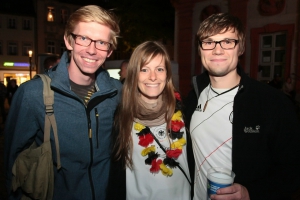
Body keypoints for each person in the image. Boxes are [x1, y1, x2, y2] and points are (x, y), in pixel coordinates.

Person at [5, 5, 121, 199]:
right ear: (69, 41)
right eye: (83, 38)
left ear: (109, 51)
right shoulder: (33, 94)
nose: (92, 50)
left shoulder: (117, 92)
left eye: (101, 42)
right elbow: (13, 162)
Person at [184, 13, 300, 200]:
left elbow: (293, 170)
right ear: (200, 50)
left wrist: (251, 193)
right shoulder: (193, 98)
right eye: (209, 42)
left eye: (228, 42)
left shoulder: (272, 103)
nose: (217, 50)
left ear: (241, 48)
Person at [107, 41, 194, 199]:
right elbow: (114, 176)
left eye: (159, 69)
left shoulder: (184, 111)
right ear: (134, 74)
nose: (153, 77)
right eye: (144, 69)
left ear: (167, 74)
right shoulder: (123, 117)